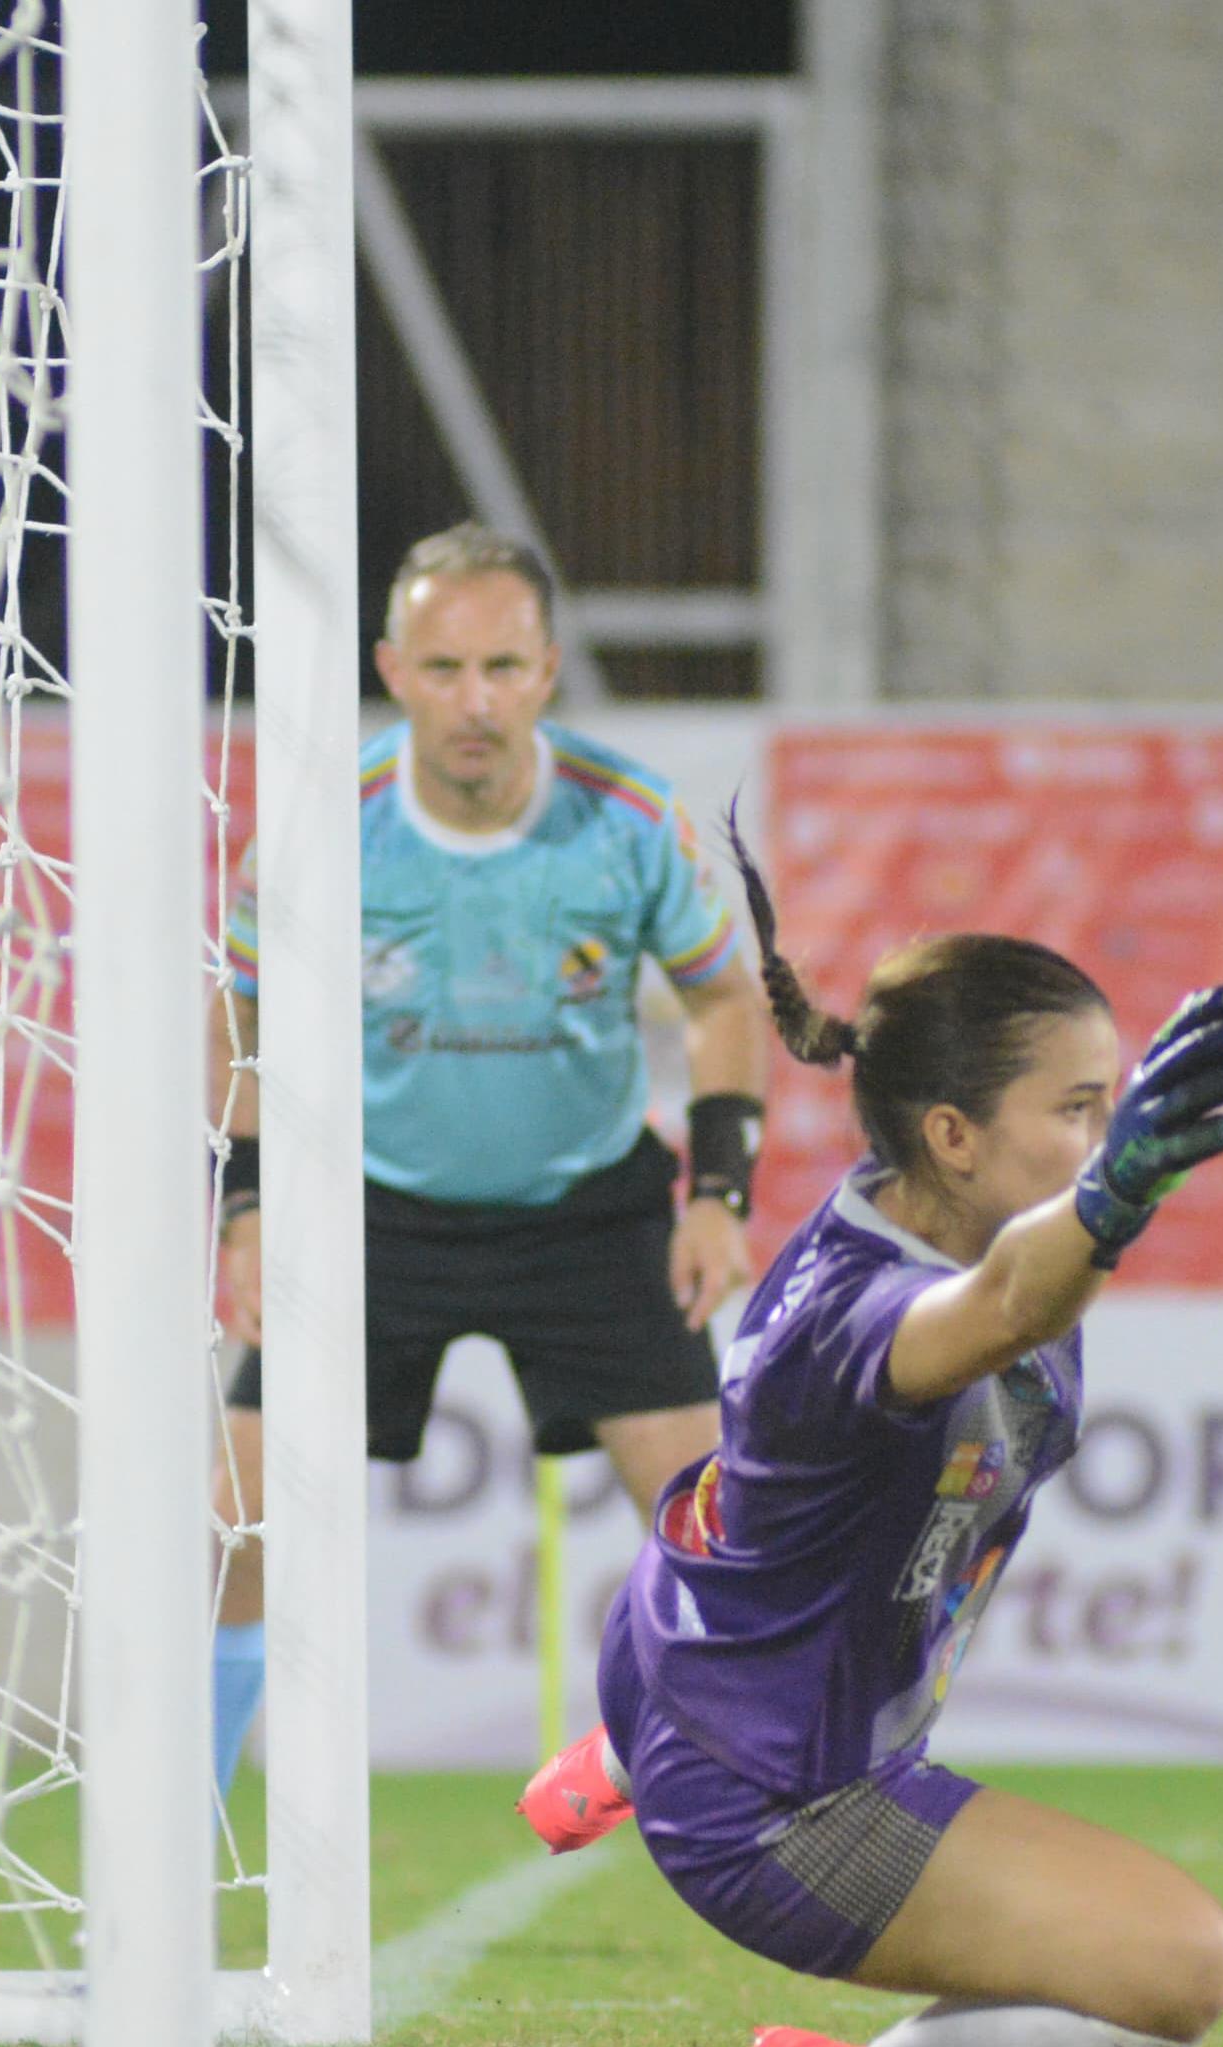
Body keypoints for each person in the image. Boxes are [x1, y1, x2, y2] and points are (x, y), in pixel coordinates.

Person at [514, 830, 1223, 2047]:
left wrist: (1094, 1191)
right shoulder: (879, 1312)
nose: (1107, 1131)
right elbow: (1011, 1303)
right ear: (953, 1133)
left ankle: (624, 1749)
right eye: (1077, 1110)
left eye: (1112, 1099)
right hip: (777, 1804)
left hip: (693, 1647)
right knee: (1178, 1969)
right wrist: (1119, 1193)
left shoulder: (933, 1213)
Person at [208, 524, 772, 1790]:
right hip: (374, 1215)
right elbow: (235, 1010)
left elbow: (724, 1003)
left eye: (503, 668)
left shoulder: (625, 820)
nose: (475, 702)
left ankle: (751, 1809)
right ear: (391, 669)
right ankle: (184, 1826)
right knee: (231, 1523)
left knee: (717, 1534)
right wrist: (244, 1204)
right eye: (444, 667)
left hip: (586, 1210)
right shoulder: (321, 824)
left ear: (547, 672)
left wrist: (717, 1194)